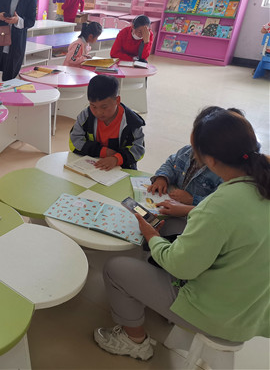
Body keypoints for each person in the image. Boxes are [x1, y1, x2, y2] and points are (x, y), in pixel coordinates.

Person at [94, 107, 270, 361]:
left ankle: (134, 341)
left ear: (210, 161)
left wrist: (152, 237)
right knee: (175, 229)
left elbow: (181, 267)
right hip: (256, 308)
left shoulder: (218, 206)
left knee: (115, 268)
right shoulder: (261, 180)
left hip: (221, 316)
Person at [69, 75, 145, 170]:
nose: (98, 112)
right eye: (93, 106)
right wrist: (102, 152)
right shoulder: (85, 116)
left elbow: (139, 149)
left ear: (117, 100)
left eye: (104, 107)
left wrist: (116, 159)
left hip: (123, 168)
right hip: (91, 165)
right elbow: (74, 141)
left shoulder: (132, 122)